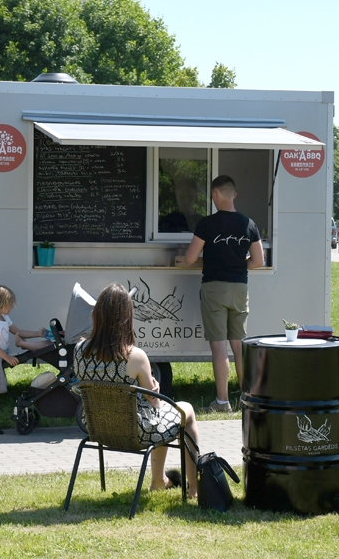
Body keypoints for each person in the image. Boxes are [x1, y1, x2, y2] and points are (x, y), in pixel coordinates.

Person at [74, 283, 201, 496]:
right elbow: (155, 403)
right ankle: (194, 489)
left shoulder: (79, 351)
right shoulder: (134, 356)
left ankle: (160, 480)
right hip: (136, 431)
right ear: (126, 316)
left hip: (97, 428)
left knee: (161, 418)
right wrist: (154, 389)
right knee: (184, 411)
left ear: (97, 314)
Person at [184, 175, 263, 412]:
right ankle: (246, 399)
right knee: (239, 345)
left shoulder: (207, 224)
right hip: (240, 288)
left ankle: (222, 402)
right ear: (234, 195)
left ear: (214, 195)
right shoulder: (249, 224)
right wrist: (238, 266)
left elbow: (189, 258)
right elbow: (259, 261)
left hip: (214, 288)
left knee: (219, 347)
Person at [0, 285, 49, 434]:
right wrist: (7, 357)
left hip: (0, 354)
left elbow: (19, 332)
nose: (12, 307)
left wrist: (38, 333)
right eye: (10, 304)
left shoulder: (5, 318)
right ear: (0, 304)